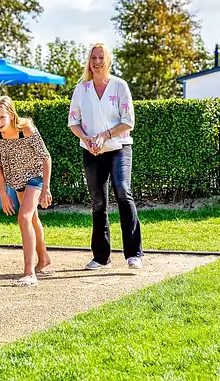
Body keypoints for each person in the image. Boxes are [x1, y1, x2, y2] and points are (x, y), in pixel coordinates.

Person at [68, 42, 143, 270]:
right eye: (93, 58)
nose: (97, 62)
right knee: (98, 202)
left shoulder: (120, 86)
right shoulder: (81, 89)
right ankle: (101, 257)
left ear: (108, 60)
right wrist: (89, 140)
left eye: (101, 58)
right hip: (92, 150)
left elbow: (128, 121)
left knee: (123, 190)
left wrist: (105, 135)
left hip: (119, 147)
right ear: (89, 62)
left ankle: (134, 254)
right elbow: (74, 122)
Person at [0, 96, 54, 287]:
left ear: (11, 114)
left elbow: (46, 157)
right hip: (16, 180)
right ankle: (44, 259)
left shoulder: (26, 129)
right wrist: (3, 193)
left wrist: (46, 188)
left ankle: (29, 273)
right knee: (32, 219)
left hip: (35, 177)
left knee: (23, 218)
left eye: (2, 117)